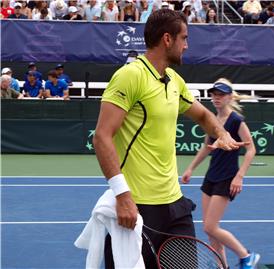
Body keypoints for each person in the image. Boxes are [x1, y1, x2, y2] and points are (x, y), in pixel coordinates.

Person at [92, 9, 247, 269]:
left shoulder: (175, 80)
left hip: (175, 205)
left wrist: (222, 133)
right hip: (138, 206)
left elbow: (204, 116)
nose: (186, 45)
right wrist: (122, 196)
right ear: (167, 39)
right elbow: (101, 137)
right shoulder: (130, 76)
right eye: (184, 38)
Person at [181, 78, 259, 269]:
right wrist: (191, 168)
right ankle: (221, 266)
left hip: (227, 178)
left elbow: (251, 149)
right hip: (211, 177)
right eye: (214, 95)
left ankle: (246, 256)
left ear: (229, 97)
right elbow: (207, 147)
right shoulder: (213, 120)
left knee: (210, 226)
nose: (216, 98)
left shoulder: (236, 121)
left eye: (221, 95)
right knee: (210, 232)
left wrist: (239, 176)